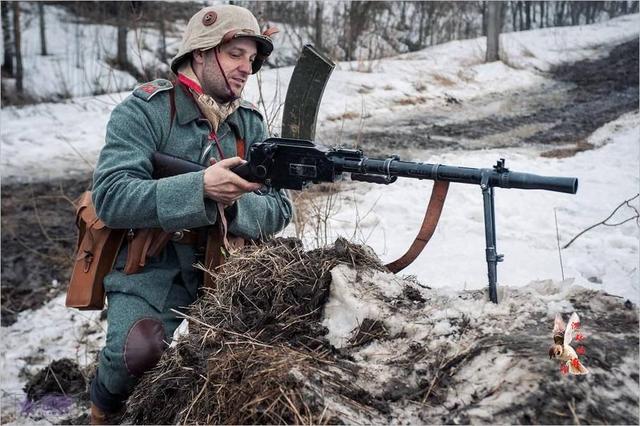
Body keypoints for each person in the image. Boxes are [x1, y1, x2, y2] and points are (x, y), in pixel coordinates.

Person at [88, 5, 291, 423]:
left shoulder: (249, 125)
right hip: (153, 262)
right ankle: (100, 413)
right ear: (200, 53)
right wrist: (199, 188)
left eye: (251, 60)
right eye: (236, 54)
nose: (245, 69)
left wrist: (231, 209)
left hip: (229, 265)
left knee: (260, 364)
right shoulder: (145, 110)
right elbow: (110, 197)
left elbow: (280, 206)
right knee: (132, 355)